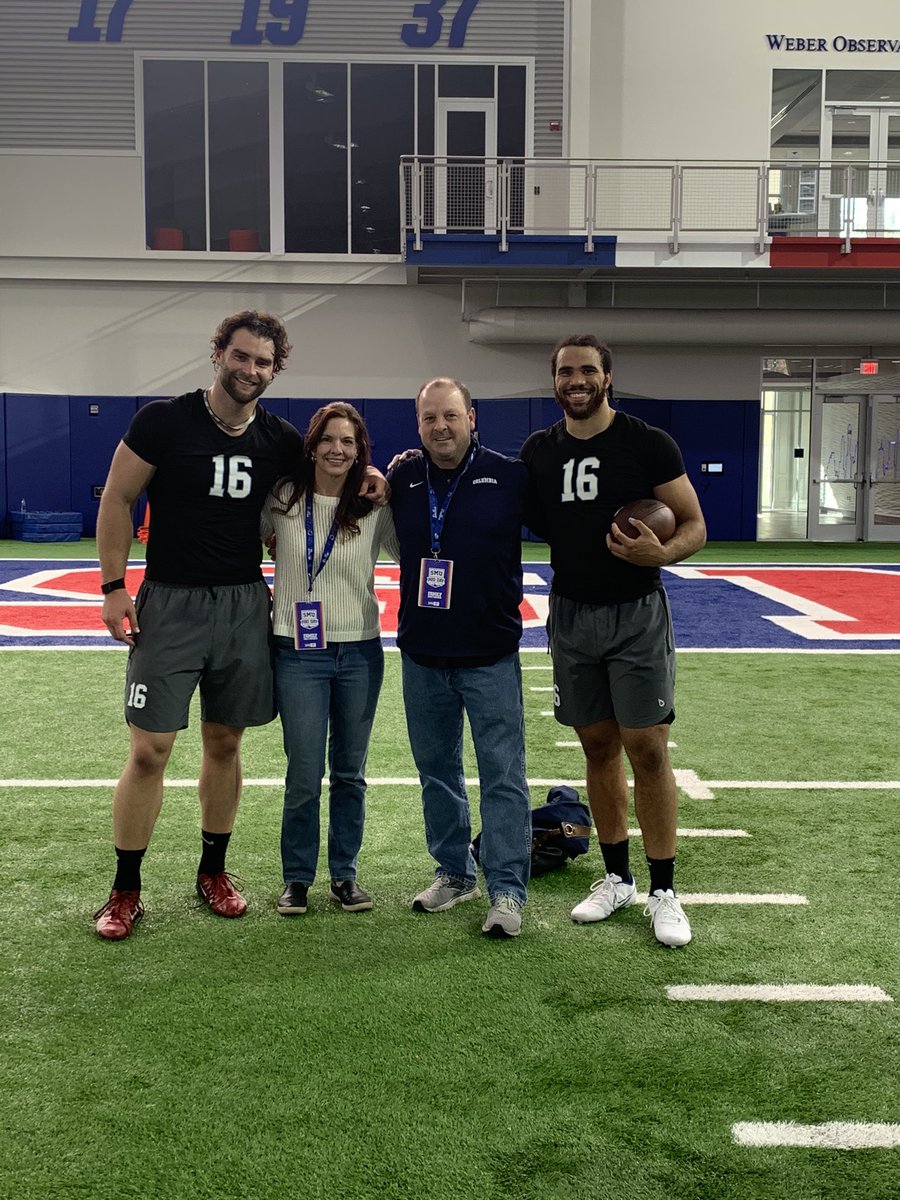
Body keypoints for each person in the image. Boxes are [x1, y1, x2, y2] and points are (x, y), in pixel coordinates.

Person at [92, 311, 386, 941]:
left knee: (225, 744)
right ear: (218, 353)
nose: (250, 370)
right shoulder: (163, 421)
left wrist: (371, 475)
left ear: (275, 370)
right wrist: (114, 587)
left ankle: (213, 872)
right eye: (241, 356)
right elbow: (117, 498)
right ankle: (125, 889)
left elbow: (332, 475)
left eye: (263, 362)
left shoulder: (279, 439)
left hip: (245, 604)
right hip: (170, 602)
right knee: (149, 750)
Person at [521, 335, 707, 947]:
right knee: (598, 748)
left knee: (647, 749)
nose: (576, 380)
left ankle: (664, 890)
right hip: (572, 615)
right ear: (554, 381)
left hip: (635, 613)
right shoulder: (539, 452)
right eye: (566, 371)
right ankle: (616, 877)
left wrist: (664, 551)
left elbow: (695, 524)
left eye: (587, 370)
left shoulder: (648, 443)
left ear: (607, 377)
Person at [390, 378, 532, 938]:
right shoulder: (403, 476)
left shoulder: (510, 476)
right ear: (417, 423)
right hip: (422, 652)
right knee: (437, 772)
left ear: (471, 417)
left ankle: (506, 889)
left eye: (450, 415)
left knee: (503, 775)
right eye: (429, 418)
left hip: (490, 653)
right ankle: (454, 871)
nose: (440, 427)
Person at [262, 402, 398, 917]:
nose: (338, 450)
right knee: (302, 772)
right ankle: (296, 878)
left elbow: (413, 552)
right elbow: (240, 541)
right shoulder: (282, 497)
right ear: (313, 445)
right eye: (329, 440)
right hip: (297, 651)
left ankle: (344, 874)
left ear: (360, 451)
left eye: (349, 442)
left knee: (349, 772)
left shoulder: (372, 502)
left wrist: (392, 482)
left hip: (360, 649)